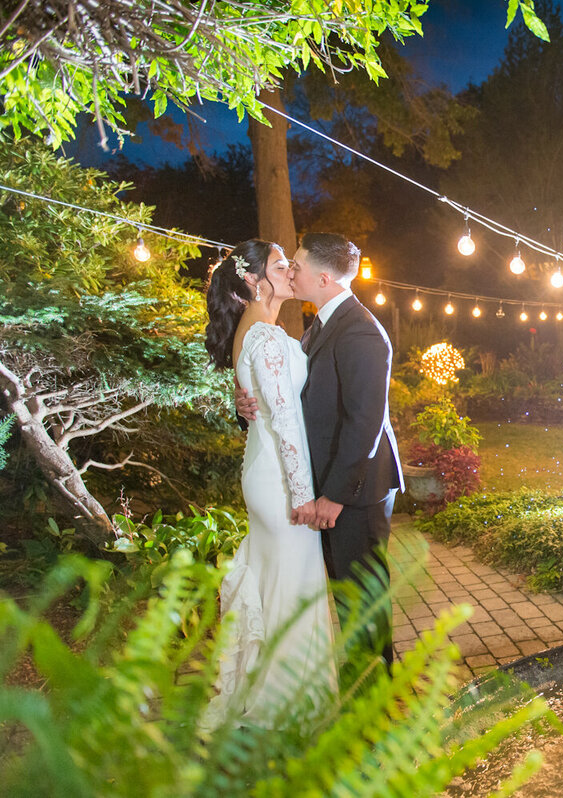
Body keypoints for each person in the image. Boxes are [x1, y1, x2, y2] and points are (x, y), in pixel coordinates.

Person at [238, 233, 402, 668]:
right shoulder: (323, 325)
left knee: (362, 599)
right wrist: (249, 403)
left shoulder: (363, 333)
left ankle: (374, 708)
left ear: (324, 277)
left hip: (357, 491)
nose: (291, 271)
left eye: (297, 265)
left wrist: (335, 495)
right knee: (344, 596)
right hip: (327, 482)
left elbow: (364, 423)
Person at [201, 240, 336, 730]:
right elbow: (283, 422)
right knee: (293, 588)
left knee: (281, 581)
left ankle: (276, 693)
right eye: (281, 265)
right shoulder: (264, 337)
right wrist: (303, 496)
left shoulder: (257, 333)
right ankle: (284, 707)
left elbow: (267, 406)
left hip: (264, 470)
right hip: (281, 480)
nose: (291, 269)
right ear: (256, 281)